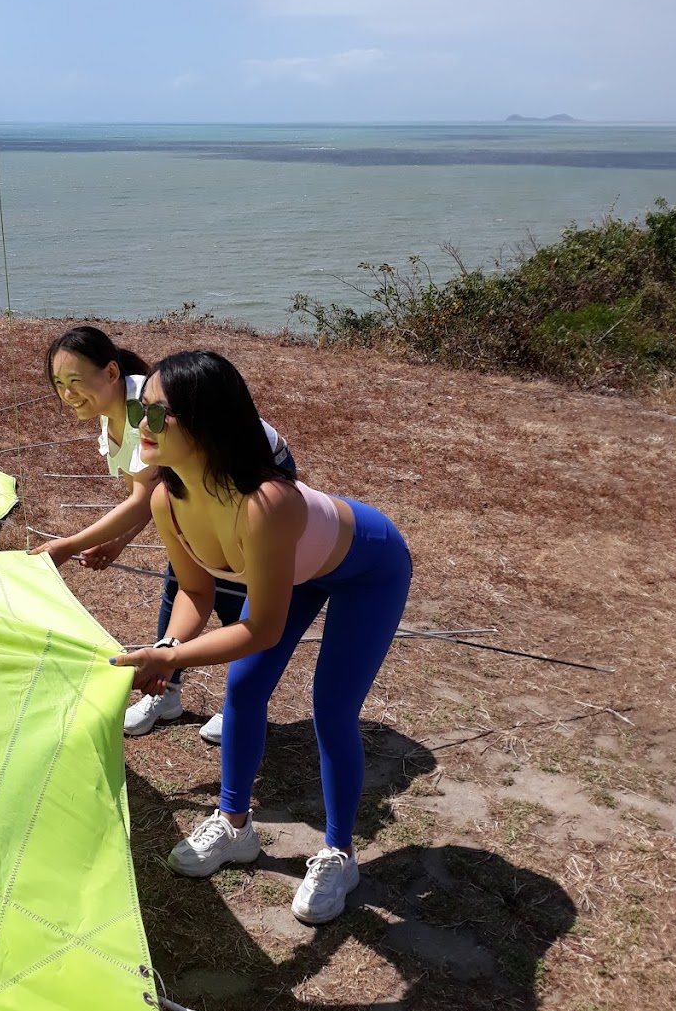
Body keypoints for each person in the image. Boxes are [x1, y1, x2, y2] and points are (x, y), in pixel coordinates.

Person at [110, 351, 411, 925]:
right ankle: (235, 827)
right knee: (244, 692)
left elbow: (261, 628)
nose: (137, 426)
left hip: (369, 571)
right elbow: (196, 595)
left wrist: (168, 658)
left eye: (154, 414)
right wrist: (168, 653)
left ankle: (339, 854)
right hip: (293, 570)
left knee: (332, 708)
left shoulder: (265, 504)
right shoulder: (165, 500)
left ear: (207, 421)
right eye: (134, 409)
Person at [34, 325, 294, 739]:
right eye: (59, 384)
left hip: (245, 471)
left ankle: (242, 703)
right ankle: (166, 689)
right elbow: (152, 496)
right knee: (182, 584)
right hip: (195, 481)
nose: (67, 394)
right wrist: (117, 542)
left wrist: (68, 545)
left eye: (76, 382)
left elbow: (141, 500)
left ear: (112, 374)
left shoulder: (147, 408)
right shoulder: (112, 417)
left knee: (233, 590)